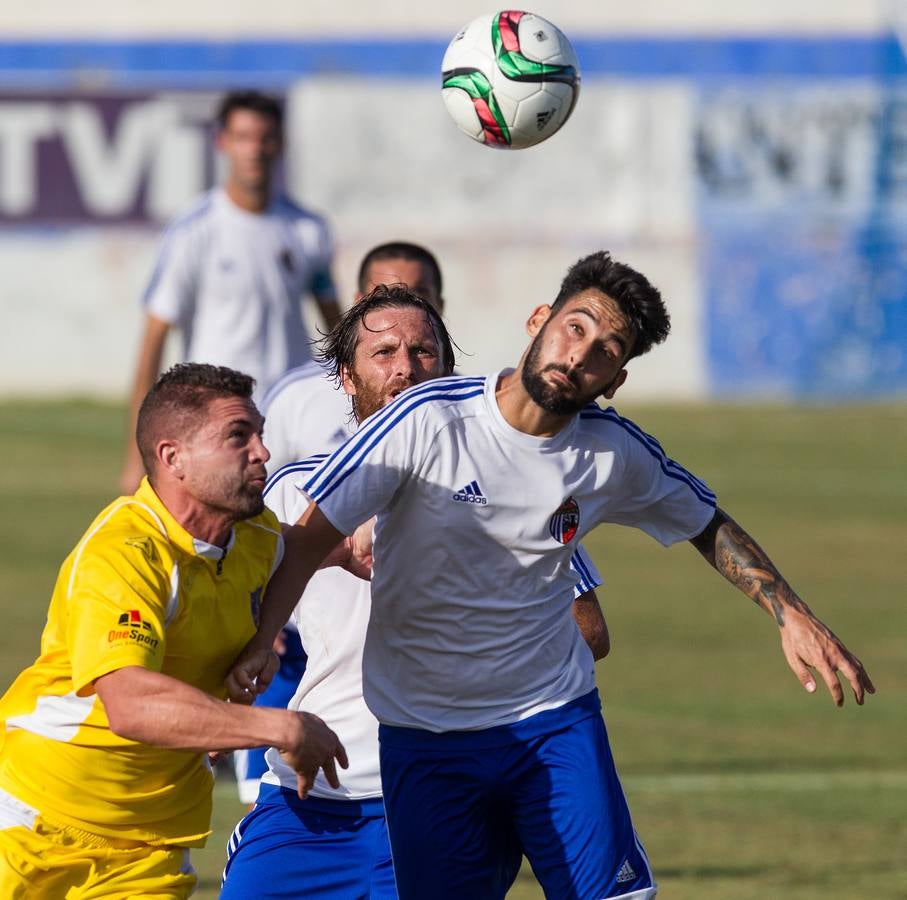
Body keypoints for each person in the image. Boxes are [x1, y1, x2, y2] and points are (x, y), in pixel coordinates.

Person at [232, 250, 875, 899]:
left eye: (605, 349)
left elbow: (704, 520)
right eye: (575, 327)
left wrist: (790, 615)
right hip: (425, 741)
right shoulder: (425, 419)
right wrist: (261, 643)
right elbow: (306, 538)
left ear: (615, 379)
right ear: (538, 319)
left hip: (550, 724)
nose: (579, 354)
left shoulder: (611, 451)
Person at [221, 285, 609, 898]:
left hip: (447, 793)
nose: (406, 368)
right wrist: (318, 570)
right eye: (385, 352)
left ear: (448, 370)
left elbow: (590, 631)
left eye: (425, 351)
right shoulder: (292, 495)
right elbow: (226, 608)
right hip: (308, 800)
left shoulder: (504, 486)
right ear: (346, 378)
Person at [0, 363, 346, 900]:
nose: (263, 453)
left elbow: (304, 549)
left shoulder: (250, 533)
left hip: (150, 850)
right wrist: (280, 728)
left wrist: (262, 639)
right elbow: (132, 705)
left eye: (260, 434)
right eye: (239, 437)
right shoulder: (126, 553)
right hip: (31, 822)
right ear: (172, 457)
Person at [230, 241, 451, 806]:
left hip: (437, 744)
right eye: (382, 304)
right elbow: (256, 513)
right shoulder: (299, 411)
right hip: (299, 647)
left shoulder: (485, 446)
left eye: (419, 305)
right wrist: (263, 610)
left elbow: (585, 627)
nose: (404, 363)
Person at [119, 90, 342, 494]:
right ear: (222, 142)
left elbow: (339, 330)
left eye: (265, 137)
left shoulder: (308, 230)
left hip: (291, 419)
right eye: (243, 137)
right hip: (216, 420)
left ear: (281, 143)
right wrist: (137, 456)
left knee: (300, 546)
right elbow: (154, 338)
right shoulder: (194, 230)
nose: (254, 150)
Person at [260, 241, 446, 473]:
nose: (403, 307)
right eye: (383, 295)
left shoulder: (471, 408)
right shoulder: (296, 395)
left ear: (440, 305)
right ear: (358, 303)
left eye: (419, 295)